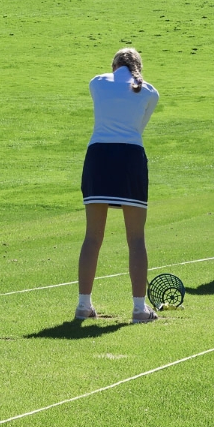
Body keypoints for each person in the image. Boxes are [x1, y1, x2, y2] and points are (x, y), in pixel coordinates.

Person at [76, 47, 162, 323]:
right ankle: (139, 309)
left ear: (114, 65)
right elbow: (139, 127)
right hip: (129, 159)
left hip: (99, 157)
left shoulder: (97, 82)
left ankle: (82, 306)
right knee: (136, 238)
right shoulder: (150, 92)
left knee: (92, 237)